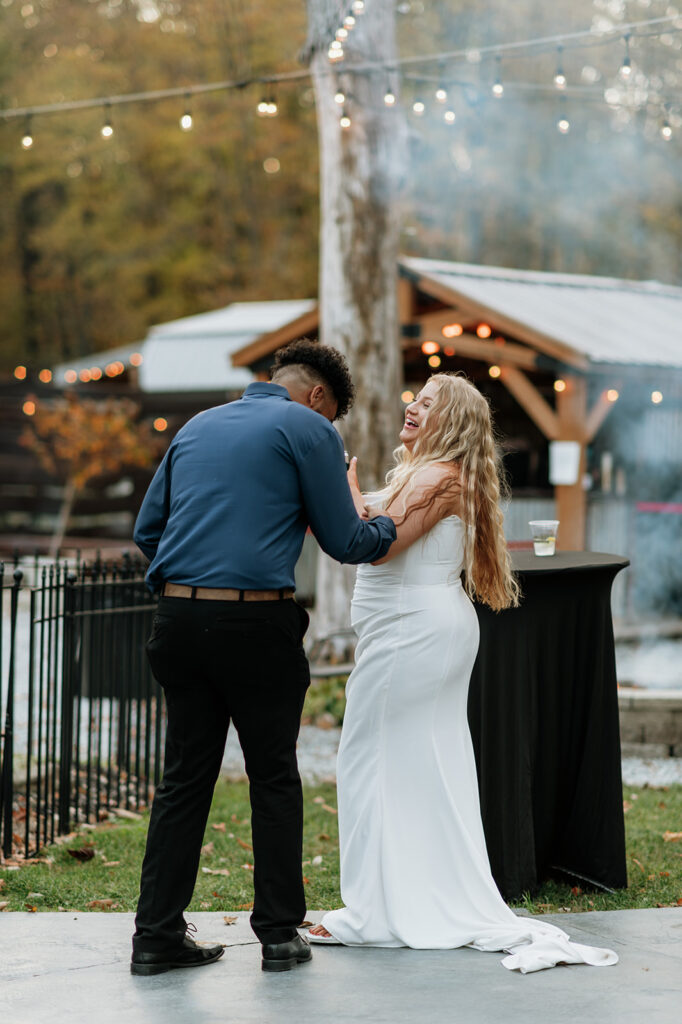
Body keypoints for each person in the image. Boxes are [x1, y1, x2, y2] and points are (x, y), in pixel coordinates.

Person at [308, 373, 618, 974]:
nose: (413, 408)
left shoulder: (436, 477)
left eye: (427, 404)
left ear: (451, 421)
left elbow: (377, 542)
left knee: (371, 759)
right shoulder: (428, 474)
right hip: (417, 633)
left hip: (412, 635)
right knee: (418, 764)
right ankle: (406, 899)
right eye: (415, 398)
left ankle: (377, 912)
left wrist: (344, 482)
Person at [130, 340, 396, 975]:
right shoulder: (309, 428)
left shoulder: (197, 425)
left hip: (179, 619)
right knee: (273, 776)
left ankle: (155, 937)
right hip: (256, 622)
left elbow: (148, 531)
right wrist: (387, 524)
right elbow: (346, 540)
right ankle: (278, 936)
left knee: (183, 780)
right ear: (317, 397)